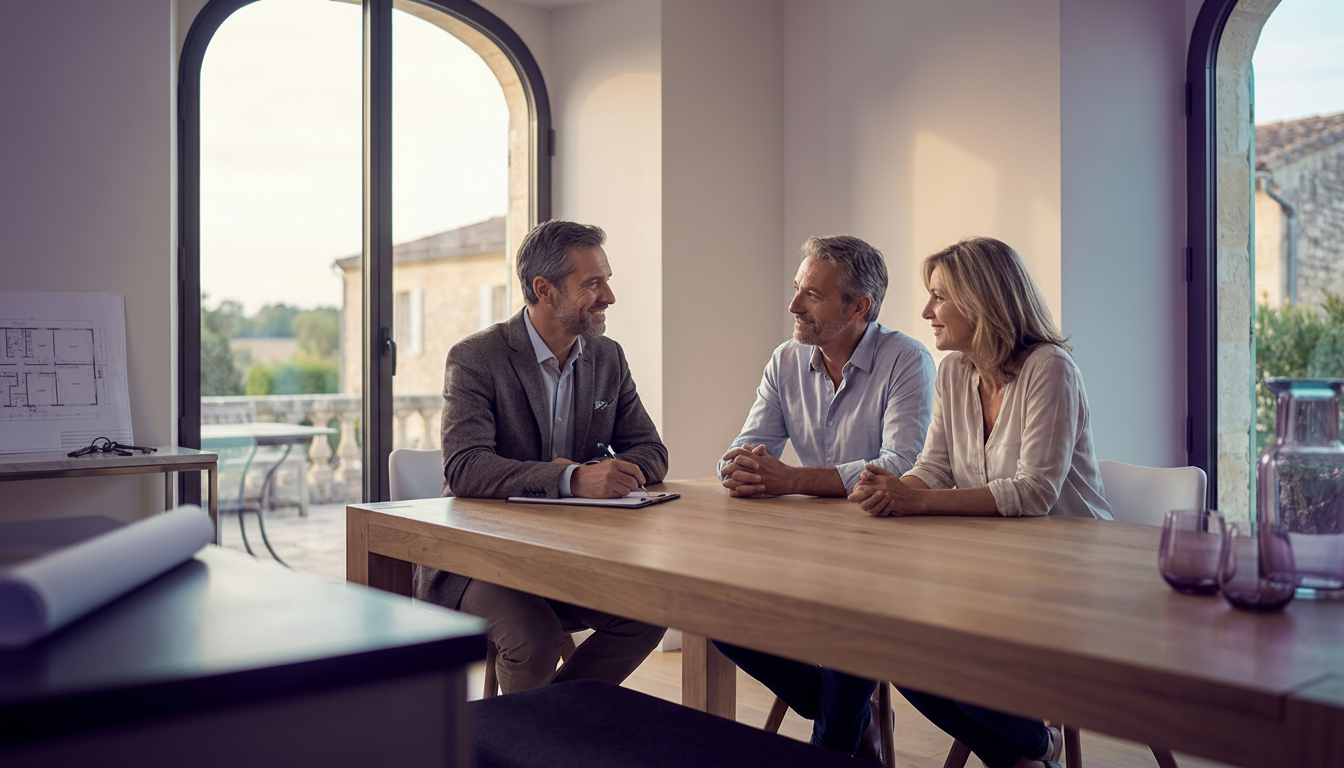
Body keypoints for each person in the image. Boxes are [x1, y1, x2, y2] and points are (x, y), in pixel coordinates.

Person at [849, 236, 1112, 768]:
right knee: (896, 644)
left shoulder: (1050, 368)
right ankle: (1029, 753)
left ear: (982, 301)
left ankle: (1033, 747)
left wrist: (917, 503)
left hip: (1070, 572)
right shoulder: (953, 371)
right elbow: (937, 468)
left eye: (939, 297)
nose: (926, 311)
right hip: (991, 564)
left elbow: (1036, 491)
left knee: (944, 652)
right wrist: (895, 491)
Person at [414, 219, 667, 694]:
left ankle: (549, 725)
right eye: (593, 283)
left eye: (606, 280)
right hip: (479, 559)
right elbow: (466, 468)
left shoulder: (608, 357)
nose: (609, 296)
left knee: (649, 614)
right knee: (534, 635)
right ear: (544, 289)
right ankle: (529, 744)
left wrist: (609, 474)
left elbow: (652, 450)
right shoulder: (476, 357)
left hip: (569, 555)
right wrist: (572, 479)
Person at [715, 234, 936, 761]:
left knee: (853, 617)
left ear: (860, 306)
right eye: (797, 289)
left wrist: (789, 480)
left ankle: (833, 742)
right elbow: (746, 449)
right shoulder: (786, 360)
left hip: (890, 554)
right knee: (713, 606)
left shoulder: (908, 360)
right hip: (806, 548)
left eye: (812, 294)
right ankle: (852, 718)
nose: (793, 305)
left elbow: (901, 467)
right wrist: (738, 468)